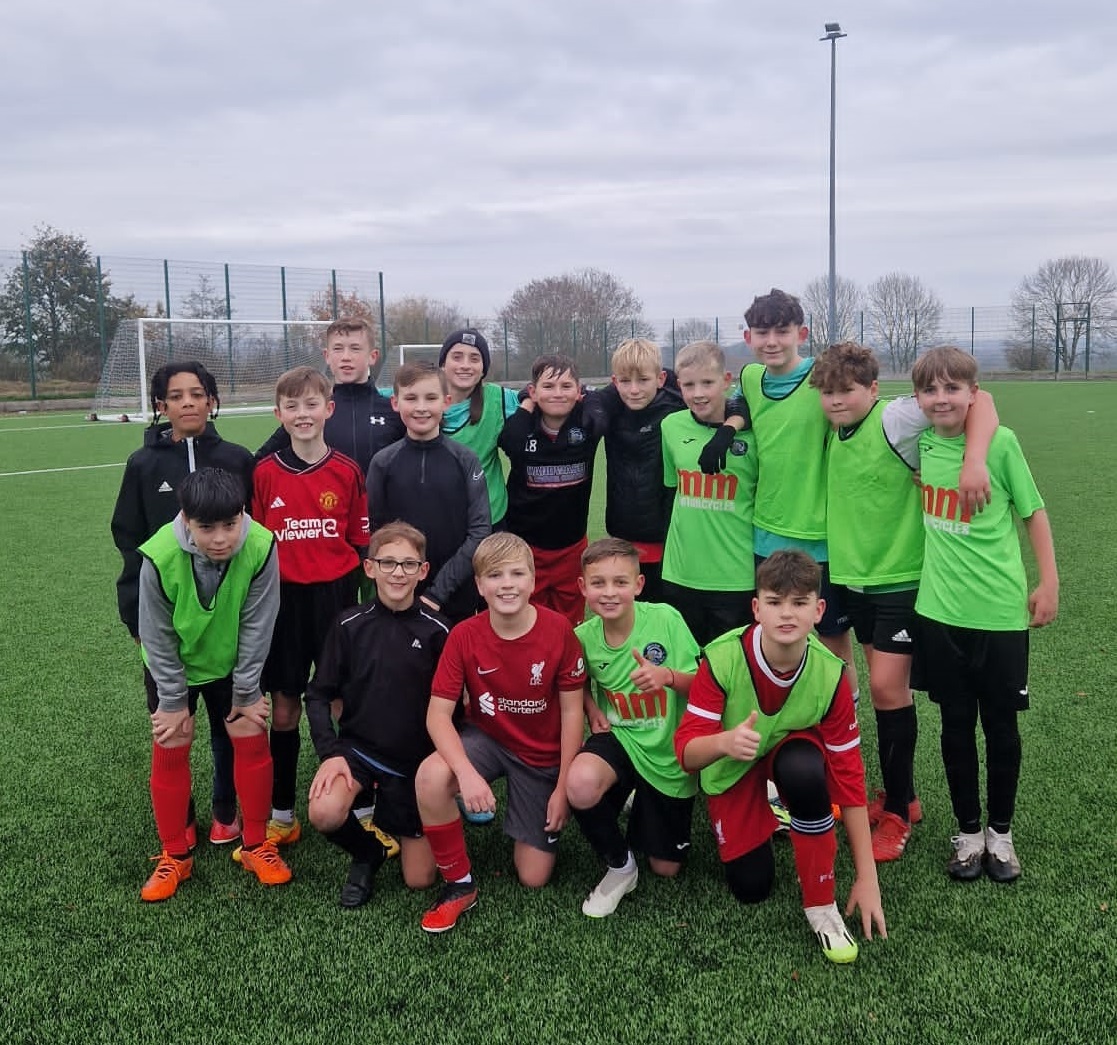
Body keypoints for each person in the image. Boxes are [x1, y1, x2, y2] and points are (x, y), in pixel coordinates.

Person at [810, 341, 998, 863]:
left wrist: (976, 459)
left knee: (888, 689)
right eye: (827, 393)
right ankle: (904, 796)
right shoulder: (831, 430)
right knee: (881, 693)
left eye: (847, 391)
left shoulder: (894, 419)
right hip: (851, 578)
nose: (836, 401)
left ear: (873, 389)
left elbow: (979, 402)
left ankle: (896, 811)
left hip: (900, 579)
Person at [675, 551, 886, 964]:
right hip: (731, 764)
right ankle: (769, 807)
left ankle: (821, 909)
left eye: (799, 602)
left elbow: (849, 778)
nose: (786, 614)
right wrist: (724, 743)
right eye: (774, 602)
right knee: (751, 887)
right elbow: (686, 753)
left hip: (789, 755)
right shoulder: (721, 658)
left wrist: (867, 877)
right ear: (756, 608)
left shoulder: (832, 674)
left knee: (806, 772)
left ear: (819, 609)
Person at [911, 346, 1058, 883]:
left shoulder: (1001, 443)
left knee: (1000, 726)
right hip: (939, 612)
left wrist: (1049, 581)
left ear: (972, 394)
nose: (941, 398)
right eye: (931, 389)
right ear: (918, 397)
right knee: (954, 724)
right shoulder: (918, 440)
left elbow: (1033, 512)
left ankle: (1001, 835)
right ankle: (968, 834)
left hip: (999, 614)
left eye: (954, 388)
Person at [414, 532, 586, 934]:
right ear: (479, 585)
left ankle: (527, 807)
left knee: (533, 876)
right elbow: (438, 716)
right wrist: (467, 773)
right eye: (494, 575)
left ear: (532, 580)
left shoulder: (559, 630)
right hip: (488, 741)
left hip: (540, 755)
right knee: (431, 774)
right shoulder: (464, 635)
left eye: (516, 574)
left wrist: (562, 788)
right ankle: (459, 884)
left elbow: (572, 711)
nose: (506, 584)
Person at [111, 361, 252, 847]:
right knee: (173, 721)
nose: (188, 402)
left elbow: (251, 535)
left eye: (198, 393)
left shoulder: (237, 457)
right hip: (165, 620)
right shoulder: (143, 464)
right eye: (176, 396)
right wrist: (133, 610)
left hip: (226, 623)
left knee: (227, 723)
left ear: (213, 400)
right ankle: (182, 819)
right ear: (161, 405)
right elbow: (127, 536)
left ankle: (225, 809)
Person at [137, 467, 289, 900]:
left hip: (231, 661)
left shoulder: (260, 545)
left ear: (243, 513)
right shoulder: (159, 554)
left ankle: (257, 845)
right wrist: (171, 700)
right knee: (173, 738)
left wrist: (246, 692)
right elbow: (157, 633)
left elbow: (259, 624)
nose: (221, 537)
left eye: (230, 523)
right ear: (186, 520)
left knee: (248, 730)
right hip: (174, 666)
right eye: (206, 527)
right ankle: (175, 857)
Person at [252, 366, 369, 851]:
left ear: (329, 409)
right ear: (279, 414)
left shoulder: (347, 471)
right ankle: (283, 813)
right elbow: (255, 546)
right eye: (293, 406)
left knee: (344, 701)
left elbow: (359, 542)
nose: (303, 414)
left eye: (311, 405)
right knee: (284, 709)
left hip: (336, 598)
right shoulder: (264, 473)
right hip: (283, 604)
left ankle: (362, 806)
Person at [305, 523, 451, 907]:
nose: (397, 573)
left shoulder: (440, 631)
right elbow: (318, 694)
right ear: (369, 568)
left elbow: (456, 710)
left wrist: (443, 769)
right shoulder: (349, 625)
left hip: (415, 766)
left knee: (420, 880)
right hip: (359, 753)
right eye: (388, 563)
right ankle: (367, 851)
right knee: (324, 811)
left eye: (408, 564)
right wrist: (330, 752)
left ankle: (404, 816)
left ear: (424, 571)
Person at [567, 538, 700, 917]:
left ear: (639, 585)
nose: (610, 593)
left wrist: (668, 677)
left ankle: (641, 797)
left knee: (667, 869)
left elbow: (706, 685)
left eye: (620, 582)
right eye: (598, 583)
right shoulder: (583, 638)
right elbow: (575, 682)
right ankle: (621, 867)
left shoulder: (666, 619)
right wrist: (592, 706)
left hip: (668, 753)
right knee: (580, 783)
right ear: (583, 588)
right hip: (620, 738)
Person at [367, 361, 491, 624]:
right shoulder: (382, 462)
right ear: (395, 403)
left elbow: (480, 531)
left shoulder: (465, 459)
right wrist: (401, 582)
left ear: (446, 402)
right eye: (411, 398)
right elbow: (376, 532)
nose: (421, 407)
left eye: (430, 398)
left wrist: (438, 592)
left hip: (456, 598)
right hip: (400, 596)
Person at [660, 340, 758, 647]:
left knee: (731, 672)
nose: (698, 393)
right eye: (689, 385)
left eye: (707, 383)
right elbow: (670, 489)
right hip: (680, 574)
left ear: (726, 381)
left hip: (735, 575)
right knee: (686, 668)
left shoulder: (754, 433)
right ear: (679, 386)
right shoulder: (671, 426)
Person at [498, 354, 607, 626]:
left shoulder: (587, 421)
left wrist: (591, 401)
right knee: (527, 620)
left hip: (570, 546)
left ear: (578, 391)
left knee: (568, 624)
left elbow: (604, 410)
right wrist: (526, 402)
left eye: (566, 386)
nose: (558, 394)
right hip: (526, 547)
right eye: (548, 387)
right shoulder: (523, 426)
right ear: (534, 392)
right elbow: (509, 441)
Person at [597, 338, 684, 603]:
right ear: (614, 382)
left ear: (660, 379)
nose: (633, 390)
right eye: (625, 381)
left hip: (668, 536)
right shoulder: (609, 411)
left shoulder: (679, 410)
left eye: (643, 380)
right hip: (622, 532)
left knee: (665, 615)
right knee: (628, 614)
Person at [255, 316, 404, 472]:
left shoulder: (393, 412)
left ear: (372, 356)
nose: (346, 357)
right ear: (327, 356)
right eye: (338, 348)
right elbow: (260, 461)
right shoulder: (315, 412)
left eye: (355, 348)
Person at [438, 328, 520, 529]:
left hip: (490, 519)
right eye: (457, 357)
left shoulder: (499, 399)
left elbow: (538, 398)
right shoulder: (420, 398)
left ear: (483, 369)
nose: (465, 365)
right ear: (442, 364)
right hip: (440, 519)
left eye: (474, 358)